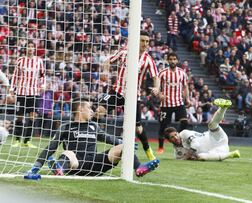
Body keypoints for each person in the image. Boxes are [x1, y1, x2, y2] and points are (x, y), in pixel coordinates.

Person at [26, 99, 159, 177]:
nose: (92, 111)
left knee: (122, 147)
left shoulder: (94, 126)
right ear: (80, 109)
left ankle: (139, 168)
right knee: (68, 153)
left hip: (95, 165)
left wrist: (125, 144)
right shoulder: (66, 126)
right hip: (75, 165)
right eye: (89, 108)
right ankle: (60, 169)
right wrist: (36, 167)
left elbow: (108, 138)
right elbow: (51, 147)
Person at [100, 30, 159, 161]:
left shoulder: (148, 59)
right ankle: (89, 140)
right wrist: (105, 71)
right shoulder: (124, 52)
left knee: (138, 128)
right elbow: (108, 61)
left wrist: (156, 87)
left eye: (147, 41)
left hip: (133, 96)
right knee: (99, 111)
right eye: (142, 40)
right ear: (136, 40)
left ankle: (148, 150)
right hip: (117, 91)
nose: (145, 44)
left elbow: (156, 77)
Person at [164, 98, 240, 161]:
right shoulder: (177, 153)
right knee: (201, 157)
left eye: (175, 134)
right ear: (169, 140)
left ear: (178, 133)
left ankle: (223, 107)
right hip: (218, 151)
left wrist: (188, 156)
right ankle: (231, 154)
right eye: (172, 137)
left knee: (211, 125)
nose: (176, 138)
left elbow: (195, 144)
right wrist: (191, 158)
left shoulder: (184, 133)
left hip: (215, 137)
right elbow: (183, 159)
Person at [9, 41, 45, 148]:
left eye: (32, 47)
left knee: (33, 116)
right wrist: (12, 88)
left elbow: (42, 75)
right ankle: (17, 140)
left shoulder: (39, 61)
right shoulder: (20, 60)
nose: (30, 48)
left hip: (34, 92)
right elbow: (15, 75)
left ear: (34, 49)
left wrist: (42, 85)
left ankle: (27, 141)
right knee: (20, 117)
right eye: (28, 47)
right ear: (26, 49)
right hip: (21, 92)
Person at [157, 52, 190, 154]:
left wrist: (187, 99)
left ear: (177, 60)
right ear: (168, 60)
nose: (172, 61)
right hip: (166, 104)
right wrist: (160, 95)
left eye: (174, 59)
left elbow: (185, 87)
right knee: (163, 126)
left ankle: (177, 139)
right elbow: (157, 86)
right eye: (170, 59)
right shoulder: (162, 73)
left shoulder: (182, 73)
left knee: (185, 122)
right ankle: (161, 147)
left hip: (179, 102)